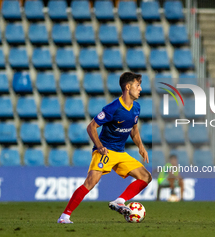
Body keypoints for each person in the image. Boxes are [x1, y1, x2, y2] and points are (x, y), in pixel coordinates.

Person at [57, 72, 152, 224]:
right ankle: (64, 217)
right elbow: (91, 127)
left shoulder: (136, 108)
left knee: (146, 177)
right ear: (128, 87)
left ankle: (119, 201)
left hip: (120, 152)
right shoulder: (113, 108)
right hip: (105, 151)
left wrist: (141, 146)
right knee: (91, 182)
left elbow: (133, 129)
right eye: (137, 85)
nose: (140, 89)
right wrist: (100, 147)